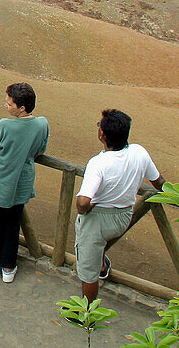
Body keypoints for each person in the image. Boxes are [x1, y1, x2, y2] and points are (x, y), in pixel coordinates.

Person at [74, 109, 165, 301]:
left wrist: (85, 209)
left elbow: (83, 202)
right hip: (124, 217)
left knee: (88, 272)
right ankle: (102, 264)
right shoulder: (140, 152)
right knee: (97, 248)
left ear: (102, 135)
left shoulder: (98, 163)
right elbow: (159, 182)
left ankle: (87, 314)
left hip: (98, 221)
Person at [0, 83, 50, 283]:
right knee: (13, 224)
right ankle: (9, 266)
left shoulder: (5, 125)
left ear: (22, 108)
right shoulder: (42, 124)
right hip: (22, 182)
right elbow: (41, 149)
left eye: (9, 103)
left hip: (0, 182)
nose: (6, 106)